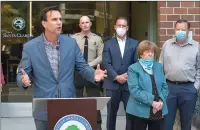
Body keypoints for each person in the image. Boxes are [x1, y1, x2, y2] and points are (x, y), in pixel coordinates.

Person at [16, 6, 107, 130]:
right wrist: (23, 80)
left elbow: (82, 66)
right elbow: (22, 72)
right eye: (54, 19)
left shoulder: (70, 43)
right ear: (44, 23)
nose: (59, 22)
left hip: (68, 105)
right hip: (44, 109)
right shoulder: (30, 47)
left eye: (60, 19)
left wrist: (93, 75)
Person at [159, 19, 200, 130]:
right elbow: (160, 67)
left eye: (183, 29)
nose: (180, 31)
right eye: (178, 29)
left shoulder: (196, 46)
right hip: (169, 88)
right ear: (175, 29)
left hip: (188, 89)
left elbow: (199, 69)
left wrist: (195, 87)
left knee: (186, 124)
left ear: (188, 31)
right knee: (166, 123)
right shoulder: (167, 44)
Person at [103, 16, 138, 130]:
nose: (121, 28)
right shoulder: (108, 44)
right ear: (115, 27)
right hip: (112, 85)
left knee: (131, 115)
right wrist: (116, 77)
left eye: (123, 26)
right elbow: (106, 63)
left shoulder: (134, 43)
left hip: (129, 85)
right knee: (111, 116)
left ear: (127, 28)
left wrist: (126, 76)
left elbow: (136, 63)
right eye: (119, 25)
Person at [126, 40, 168, 130]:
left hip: (158, 109)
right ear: (141, 54)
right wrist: (152, 102)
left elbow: (165, 86)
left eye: (152, 52)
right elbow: (134, 90)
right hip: (138, 110)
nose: (150, 54)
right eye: (147, 51)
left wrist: (160, 101)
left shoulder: (158, 66)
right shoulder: (133, 68)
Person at [72, 15, 104, 130]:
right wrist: (81, 67)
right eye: (82, 23)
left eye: (87, 22)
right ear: (80, 25)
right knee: (76, 100)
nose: (85, 24)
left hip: (92, 73)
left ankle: (97, 125)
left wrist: (88, 66)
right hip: (77, 73)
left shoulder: (97, 39)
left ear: (90, 24)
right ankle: (76, 125)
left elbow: (102, 56)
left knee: (94, 101)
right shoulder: (73, 39)